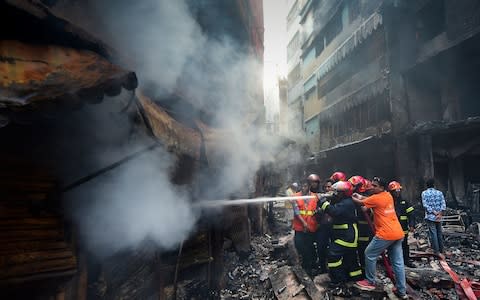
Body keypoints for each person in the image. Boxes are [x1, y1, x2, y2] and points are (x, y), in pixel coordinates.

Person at [352, 177, 407, 299]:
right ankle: (401, 290)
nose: (372, 187)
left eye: (375, 186)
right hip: (398, 233)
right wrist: (360, 197)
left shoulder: (376, 198)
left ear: (382, 188)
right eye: (372, 185)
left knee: (369, 253)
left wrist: (350, 195)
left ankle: (370, 281)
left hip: (385, 234)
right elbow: (368, 200)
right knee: (398, 262)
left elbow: (361, 202)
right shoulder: (387, 195)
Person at [317, 181, 362, 295]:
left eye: (336, 192)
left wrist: (323, 202)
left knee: (333, 254)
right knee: (350, 258)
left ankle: (338, 280)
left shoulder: (346, 203)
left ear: (344, 193)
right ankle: (355, 278)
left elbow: (334, 211)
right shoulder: (344, 201)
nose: (334, 194)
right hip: (346, 234)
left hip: (347, 236)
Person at [292, 177, 319, 276]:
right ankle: (306, 262)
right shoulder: (295, 196)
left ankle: (310, 265)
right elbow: (296, 211)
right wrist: (304, 223)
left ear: (309, 186)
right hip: (300, 227)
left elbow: (319, 208)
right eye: (302, 186)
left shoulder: (315, 196)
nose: (303, 188)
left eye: (305, 186)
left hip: (311, 226)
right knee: (299, 244)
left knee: (309, 246)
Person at [348, 175, 373, 274]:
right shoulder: (353, 195)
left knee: (363, 248)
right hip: (355, 226)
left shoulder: (367, 197)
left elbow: (370, 210)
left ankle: (365, 269)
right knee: (355, 248)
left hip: (364, 227)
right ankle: (359, 269)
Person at [389, 181, 416, 267]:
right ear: (391, 192)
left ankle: (406, 260)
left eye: (398, 190)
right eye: (395, 191)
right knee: (391, 246)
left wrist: (412, 225)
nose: (397, 192)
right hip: (391, 229)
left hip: (403, 228)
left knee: (404, 245)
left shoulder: (404, 202)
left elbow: (411, 214)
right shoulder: (388, 202)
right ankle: (391, 261)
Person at [421, 178, 446, 259]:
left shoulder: (424, 193)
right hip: (439, 216)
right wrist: (440, 213)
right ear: (434, 185)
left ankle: (437, 251)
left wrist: (433, 212)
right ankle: (442, 250)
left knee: (433, 233)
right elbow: (443, 204)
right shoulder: (439, 193)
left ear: (427, 185)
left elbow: (425, 205)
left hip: (430, 216)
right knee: (439, 232)